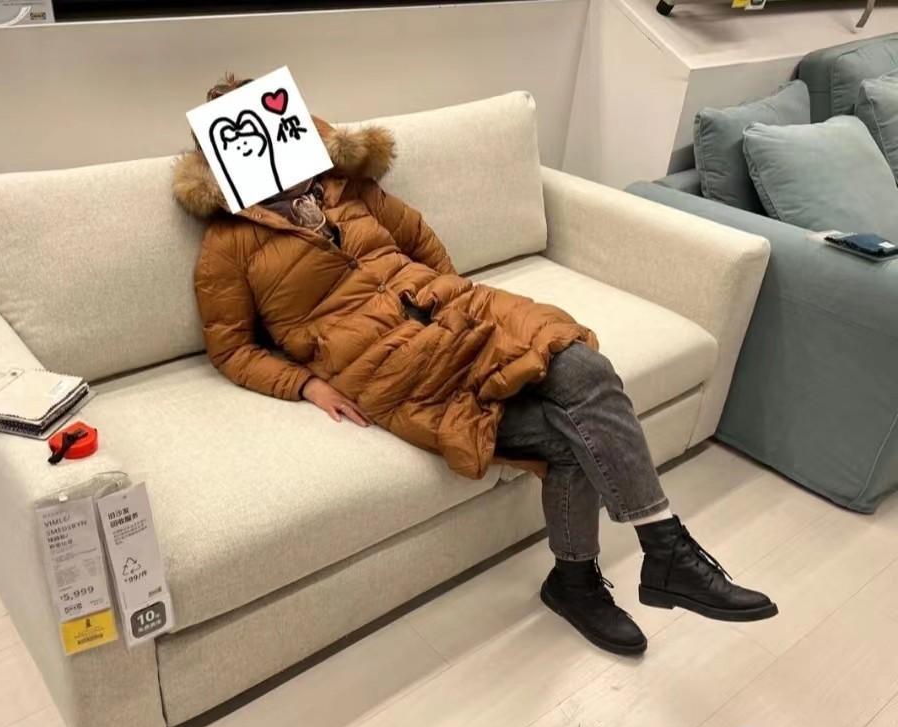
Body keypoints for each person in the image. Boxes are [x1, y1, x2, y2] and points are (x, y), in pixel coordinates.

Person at [175, 75, 777, 656]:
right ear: (224, 161)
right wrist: (305, 383)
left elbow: (419, 239)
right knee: (568, 437)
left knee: (585, 367)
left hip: (455, 312)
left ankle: (661, 548)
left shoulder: (347, 189)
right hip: (391, 369)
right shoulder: (230, 245)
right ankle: (586, 580)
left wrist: (449, 295)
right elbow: (231, 349)